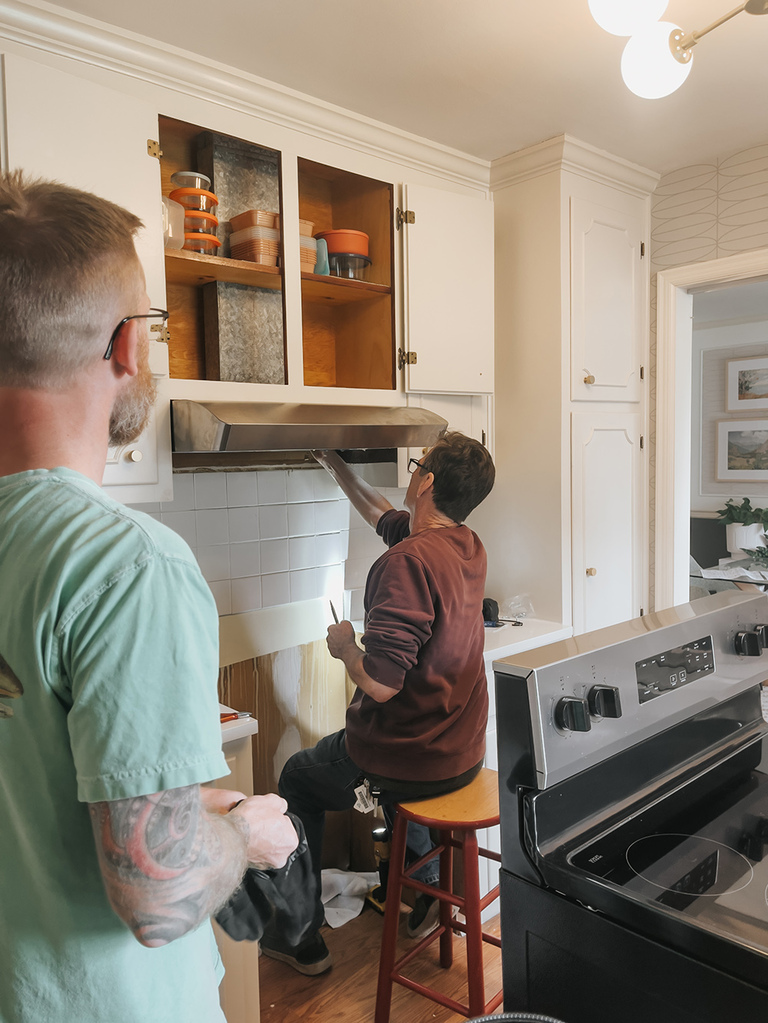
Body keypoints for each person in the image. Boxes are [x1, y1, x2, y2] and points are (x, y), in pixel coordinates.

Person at [0, 170, 298, 1023]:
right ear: (127, 343)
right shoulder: (125, 564)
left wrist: (192, 808)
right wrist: (249, 833)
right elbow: (157, 895)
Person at [261, 432, 496, 976]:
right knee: (397, 790)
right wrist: (333, 461)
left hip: (406, 757)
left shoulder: (407, 562)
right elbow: (381, 512)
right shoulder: (465, 542)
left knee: (299, 777)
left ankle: (299, 937)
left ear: (428, 480)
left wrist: (345, 649)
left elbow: (383, 685)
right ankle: (429, 890)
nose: (412, 472)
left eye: (418, 465)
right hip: (460, 752)